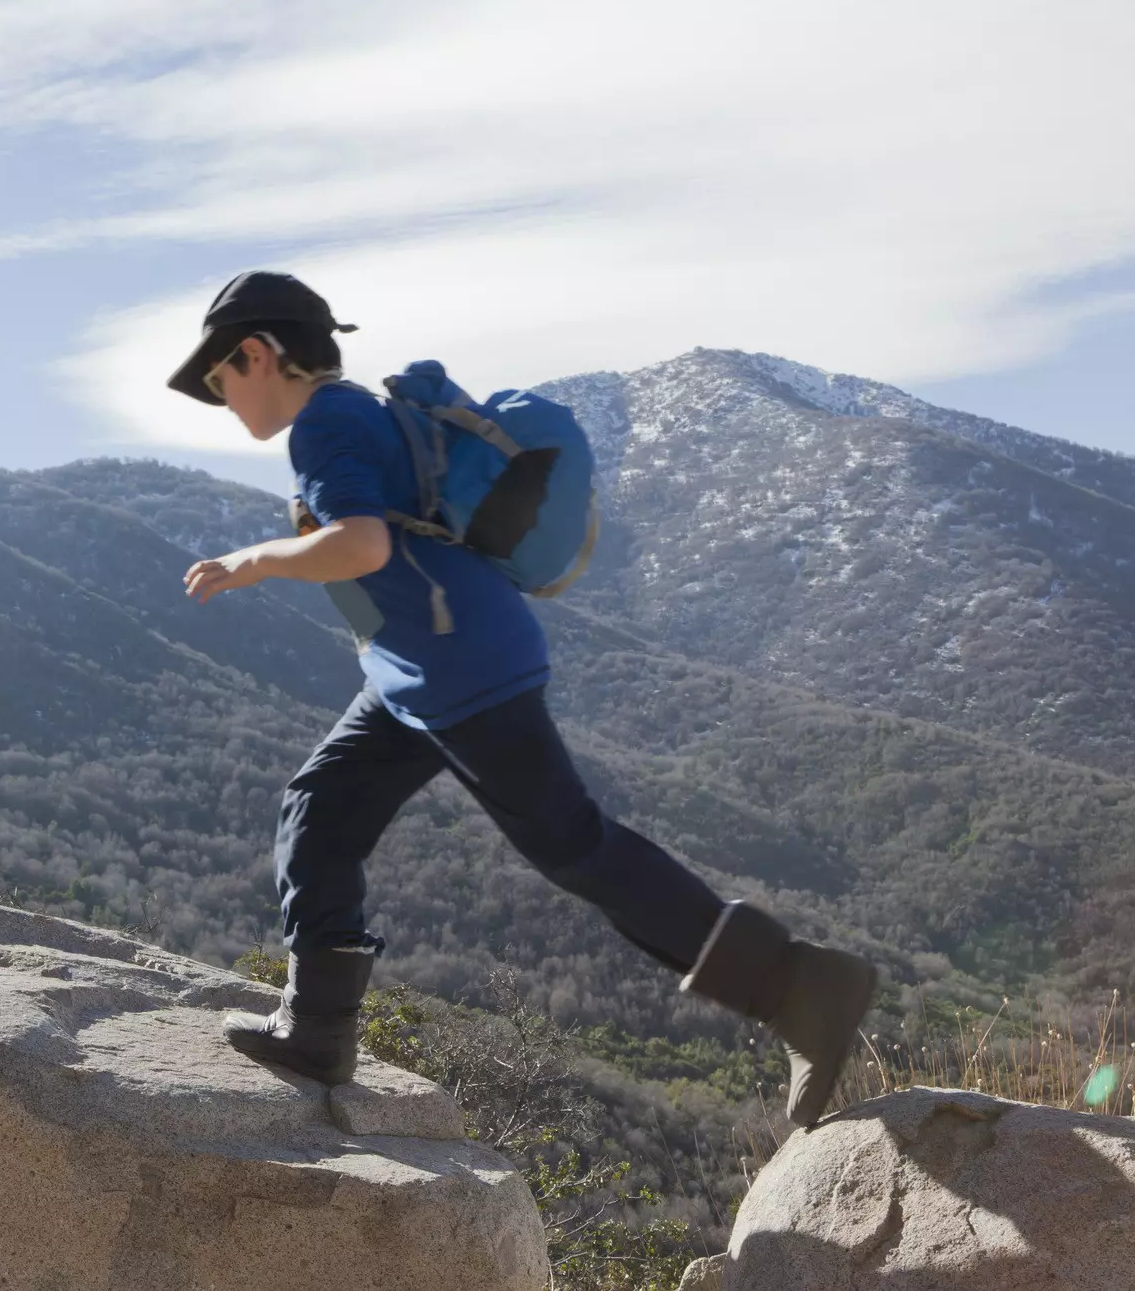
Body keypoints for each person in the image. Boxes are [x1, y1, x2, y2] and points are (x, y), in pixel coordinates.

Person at [168, 270, 875, 1126]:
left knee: (575, 847)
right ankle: (317, 1029)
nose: (221, 398)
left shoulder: (323, 425)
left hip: (463, 669)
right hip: (414, 674)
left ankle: (800, 986)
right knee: (318, 808)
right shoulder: (352, 411)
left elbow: (360, 545)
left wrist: (249, 563)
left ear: (258, 353)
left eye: (220, 379)